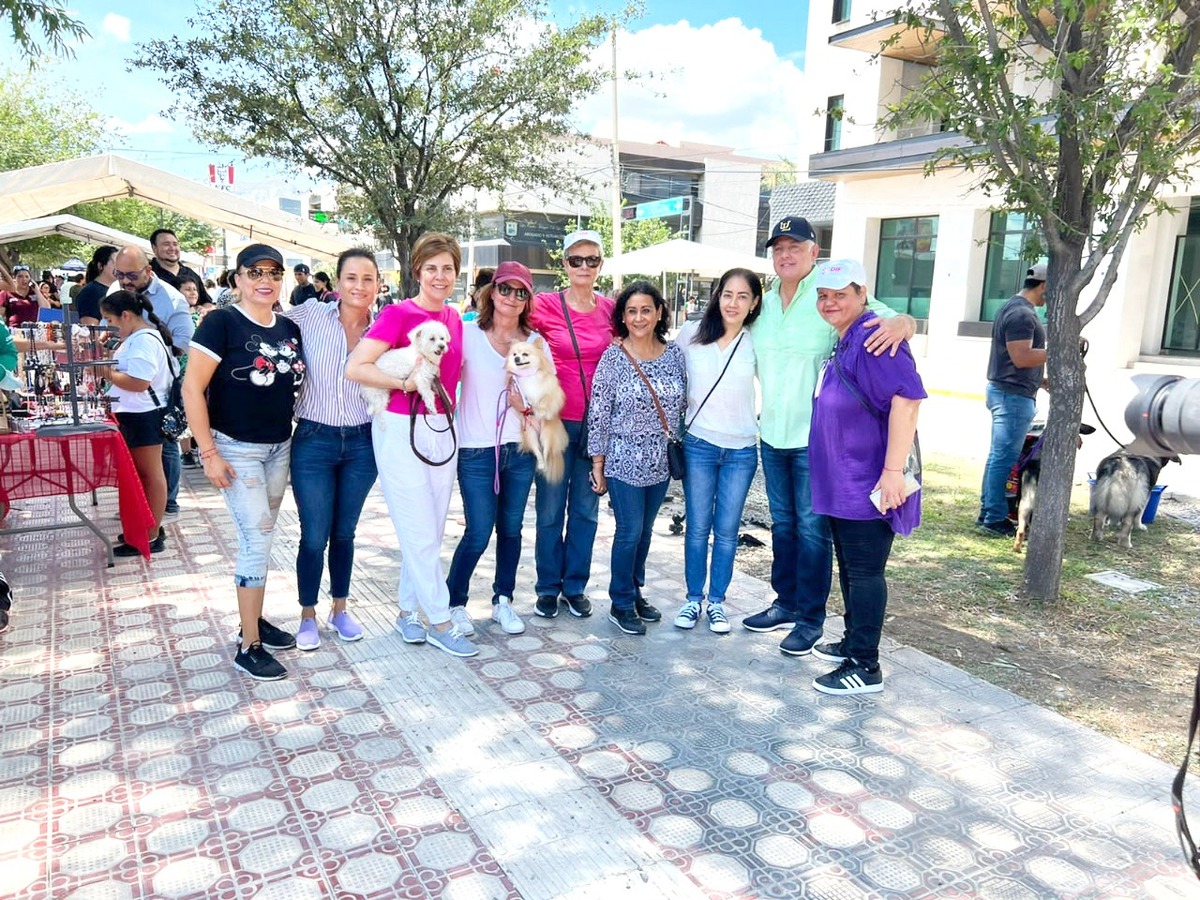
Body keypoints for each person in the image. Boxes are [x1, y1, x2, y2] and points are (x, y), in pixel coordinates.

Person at [744, 216, 915, 657]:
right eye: (778, 248)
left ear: (813, 252)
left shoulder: (830, 295)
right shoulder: (760, 304)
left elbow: (887, 318)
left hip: (816, 444)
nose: (786, 255)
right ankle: (785, 602)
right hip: (773, 434)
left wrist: (906, 322)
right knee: (783, 526)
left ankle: (810, 619)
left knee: (813, 531)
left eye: (795, 247)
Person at [346, 232, 473, 657]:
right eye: (431, 268)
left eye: (448, 269)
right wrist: (403, 383)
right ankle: (440, 619)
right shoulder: (399, 315)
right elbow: (356, 367)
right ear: (417, 270)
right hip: (400, 430)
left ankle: (406, 612)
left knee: (430, 529)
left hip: (441, 429)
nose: (440, 277)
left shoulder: (454, 319)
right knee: (418, 527)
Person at [182, 243, 305, 681]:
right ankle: (247, 645)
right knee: (257, 540)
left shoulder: (288, 327)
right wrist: (208, 452)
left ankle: (252, 620)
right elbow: (191, 389)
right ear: (237, 278)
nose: (265, 280)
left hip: (278, 447)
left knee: (263, 539)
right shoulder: (222, 323)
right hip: (235, 449)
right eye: (255, 272)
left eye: (273, 272)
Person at [808, 259, 925, 694]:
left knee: (865, 571)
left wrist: (892, 472)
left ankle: (865, 664)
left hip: (868, 481)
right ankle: (853, 640)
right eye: (824, 295)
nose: (830, 302)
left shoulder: (878, 339)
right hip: (843, 481)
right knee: (851, 568)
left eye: (841, 294)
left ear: (862, 295)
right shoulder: (848, 338)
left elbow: (907, 401)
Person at [283, 248, 379, 651]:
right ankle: (307, 614)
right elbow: (262, 324)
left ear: (378, 285)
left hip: (363, 442)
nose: (359, 286)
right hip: (313, 440)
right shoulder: (310, 316)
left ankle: (340, 609)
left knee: (345, 532)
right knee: (313, 534)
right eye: (351, 277)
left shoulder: (386, 329)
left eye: (368, 279)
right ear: (338, 282)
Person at [444, 261, 540, 639]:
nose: (511, 298)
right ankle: (455, 603)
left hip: (519, 448)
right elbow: (443, 381)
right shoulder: (467, 334)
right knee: (479, 530)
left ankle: (503, 599)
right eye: (505, 289)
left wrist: (525, 405)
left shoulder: (533, 342)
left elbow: (542, 399)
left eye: (521, 292)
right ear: (491, 292)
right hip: (475, 449)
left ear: (527, 300)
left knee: (512, 529)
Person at [588, 281, 686, 635]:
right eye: (632, 311)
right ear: (623, 317)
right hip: (623, 459)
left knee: (645, 531)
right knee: (629, 530)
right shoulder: (613, 356)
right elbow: (598, 413)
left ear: (659, 312)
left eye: (646, 309)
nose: (640, 317)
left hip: (660, 460)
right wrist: (597, 464)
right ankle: (620, 601)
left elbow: (682, 403)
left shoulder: (674, 354)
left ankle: (635, 590)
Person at [528, 229, 614, 619]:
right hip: (555, 423)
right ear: (564, 264)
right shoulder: (544, 305)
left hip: (597, 426)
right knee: (548, 511)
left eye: (591, 260)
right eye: (576, 260)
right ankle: (547, 586)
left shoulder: (612, 309)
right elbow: (505, 322)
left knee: (585, 510)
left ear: (600, 265)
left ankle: (574, 586)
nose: (583, 266)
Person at [673, 268, 762, 634]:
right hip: (699, 445)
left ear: (755, 302)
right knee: (697, 527)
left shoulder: (757, 339)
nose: (733, 302)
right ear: (717, 295)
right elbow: (663, 367)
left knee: (727, 530)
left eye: (743, 296)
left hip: (741, 449)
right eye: (728, 294)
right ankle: (694, 599)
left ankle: (717, 603)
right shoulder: (691, 334)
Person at [112, 245, 194, 519]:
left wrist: (147, 351)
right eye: (119, 274)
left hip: (158, 386)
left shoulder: (172, 300)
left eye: (131, 275)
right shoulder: (117, 291)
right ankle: (144, 507)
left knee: (164, 446)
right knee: (143, 459)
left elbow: (183, 342)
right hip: (132, 391)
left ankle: (164, 504)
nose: (125, 281)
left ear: (148, 270)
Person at [99, 290, 174, 557]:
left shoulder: (143, 341)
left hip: (143, 414)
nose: (109, 326)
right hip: (134, 414)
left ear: (126, 315)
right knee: (143, 476)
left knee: (150, 475)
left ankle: (151, 534)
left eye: (110, 320)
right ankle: (145, 527)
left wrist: (106, 371)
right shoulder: (137, 338)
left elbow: (139, 383)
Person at [977, 262, 1048, 538]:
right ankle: (993, 518)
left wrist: (1039, 381)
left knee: (998, 458)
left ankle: (988, 512)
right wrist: (1060, 350)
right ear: (1043, 285)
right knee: (1003, 460)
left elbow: (1015, 358)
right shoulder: (1021, 314)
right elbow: (1021, 356)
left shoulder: (1015, 307)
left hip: (1010, 391)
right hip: (1012, 397)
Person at [149, 228, 211, 305]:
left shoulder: (191, 274)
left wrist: (204, 309)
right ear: (154, 248)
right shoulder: (147, 274)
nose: (172, 248)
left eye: (175, 244)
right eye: (166, 244)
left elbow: (207, 302)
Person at [75, 247, 119, 326]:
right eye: (115, 263)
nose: (119, 267)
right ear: (101, 265)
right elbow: (91, 329)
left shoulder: (118, 288)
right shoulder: (91, 292)